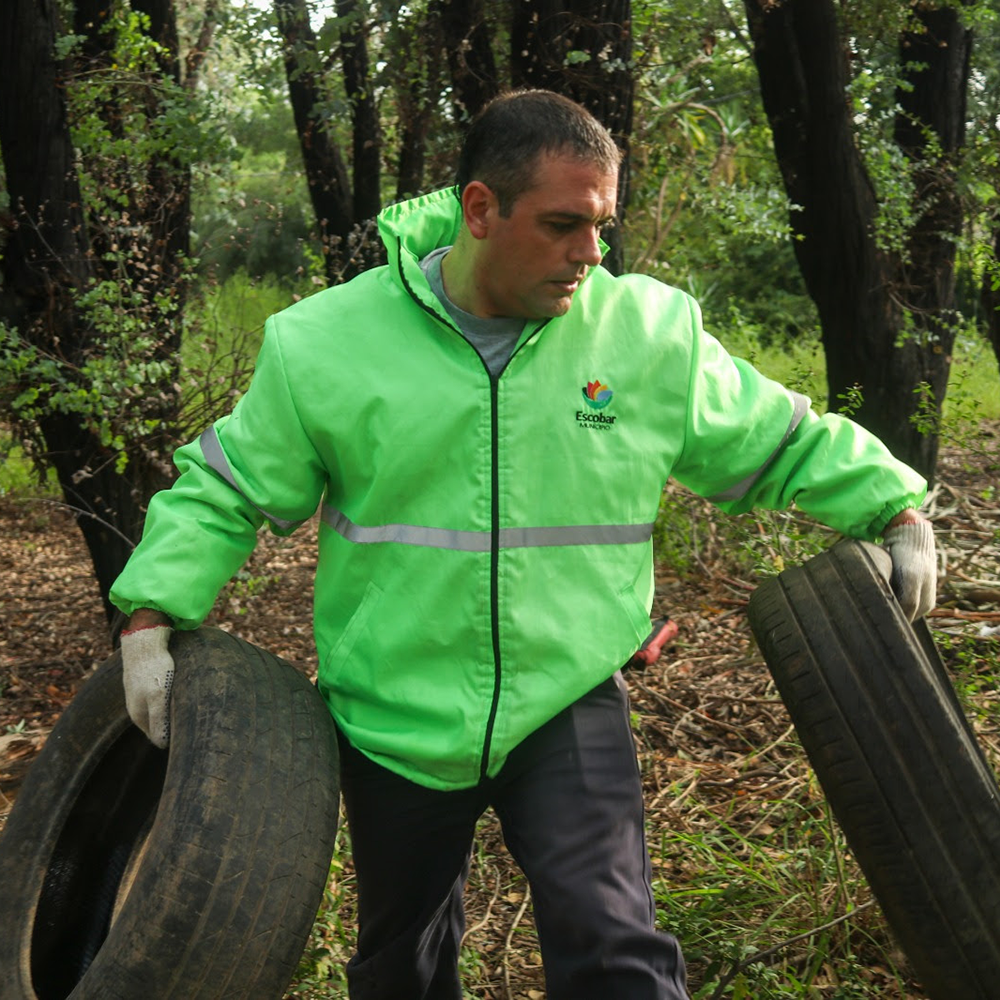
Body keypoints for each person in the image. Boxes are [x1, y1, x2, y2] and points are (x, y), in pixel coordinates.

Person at [110, 89, 936, 999]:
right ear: (479, 209)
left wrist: (893, 506)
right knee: (402, 966)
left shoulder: (647, 335)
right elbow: (226, 487)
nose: (590, 254)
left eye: (602, 226)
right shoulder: (322, 346)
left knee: (615, 950)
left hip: (568, 694)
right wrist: (152, 613)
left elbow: (779, 438)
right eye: (561, 225)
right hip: (394, 713)